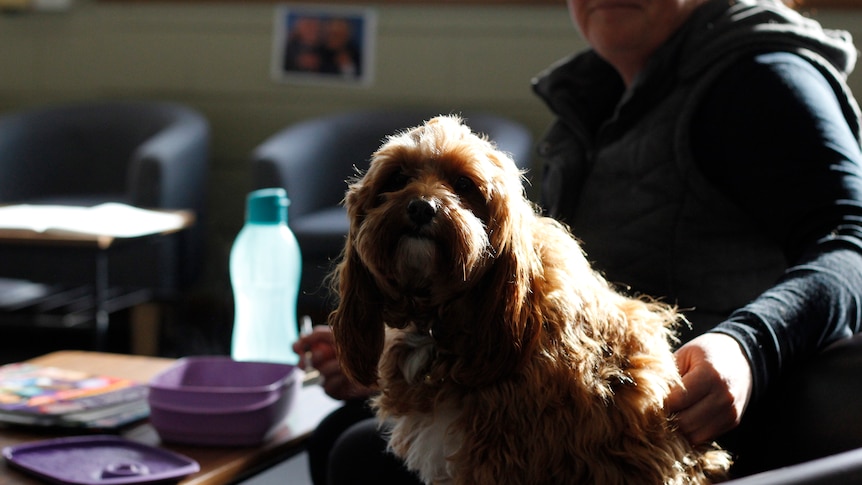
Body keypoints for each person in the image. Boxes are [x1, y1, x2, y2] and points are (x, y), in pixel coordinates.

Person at [293, 0, 862, 482]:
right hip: (537, 398)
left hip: (684, 436)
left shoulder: (763, 80)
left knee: (355, 456)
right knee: (335, 434)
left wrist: (750, 348)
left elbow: (852, 242)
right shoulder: (595, 96)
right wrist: (391, 346)